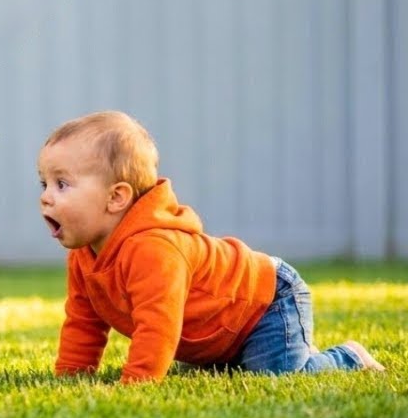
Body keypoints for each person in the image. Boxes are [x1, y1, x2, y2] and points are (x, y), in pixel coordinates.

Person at [36, 110, 384, 383]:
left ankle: (348, 357)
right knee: (221, 370)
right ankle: (236, 355)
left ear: (116, 197)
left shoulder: (155, 250)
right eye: (44, 183)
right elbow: (83, 321)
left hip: (265, 301)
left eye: (62, 184)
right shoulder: (84, 256)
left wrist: (139, 382)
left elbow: (158, 326)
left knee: (277, 374)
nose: (45, 197)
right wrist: (71, 375)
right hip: (220, 329)